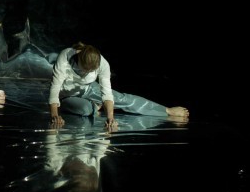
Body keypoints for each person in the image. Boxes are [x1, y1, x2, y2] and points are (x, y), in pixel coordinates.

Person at [48, 42, 189, 131]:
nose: (86, 73)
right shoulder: (65, 57)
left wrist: (110, 117)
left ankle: (167, 110)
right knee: (86, 110)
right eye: (84, 70)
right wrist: (55, 115)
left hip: (88, 88)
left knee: (122, 99)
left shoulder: (103, 64)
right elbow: (54, 88)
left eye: (90, 71)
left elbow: (107, 92)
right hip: (67, 95)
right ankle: (94, 106)